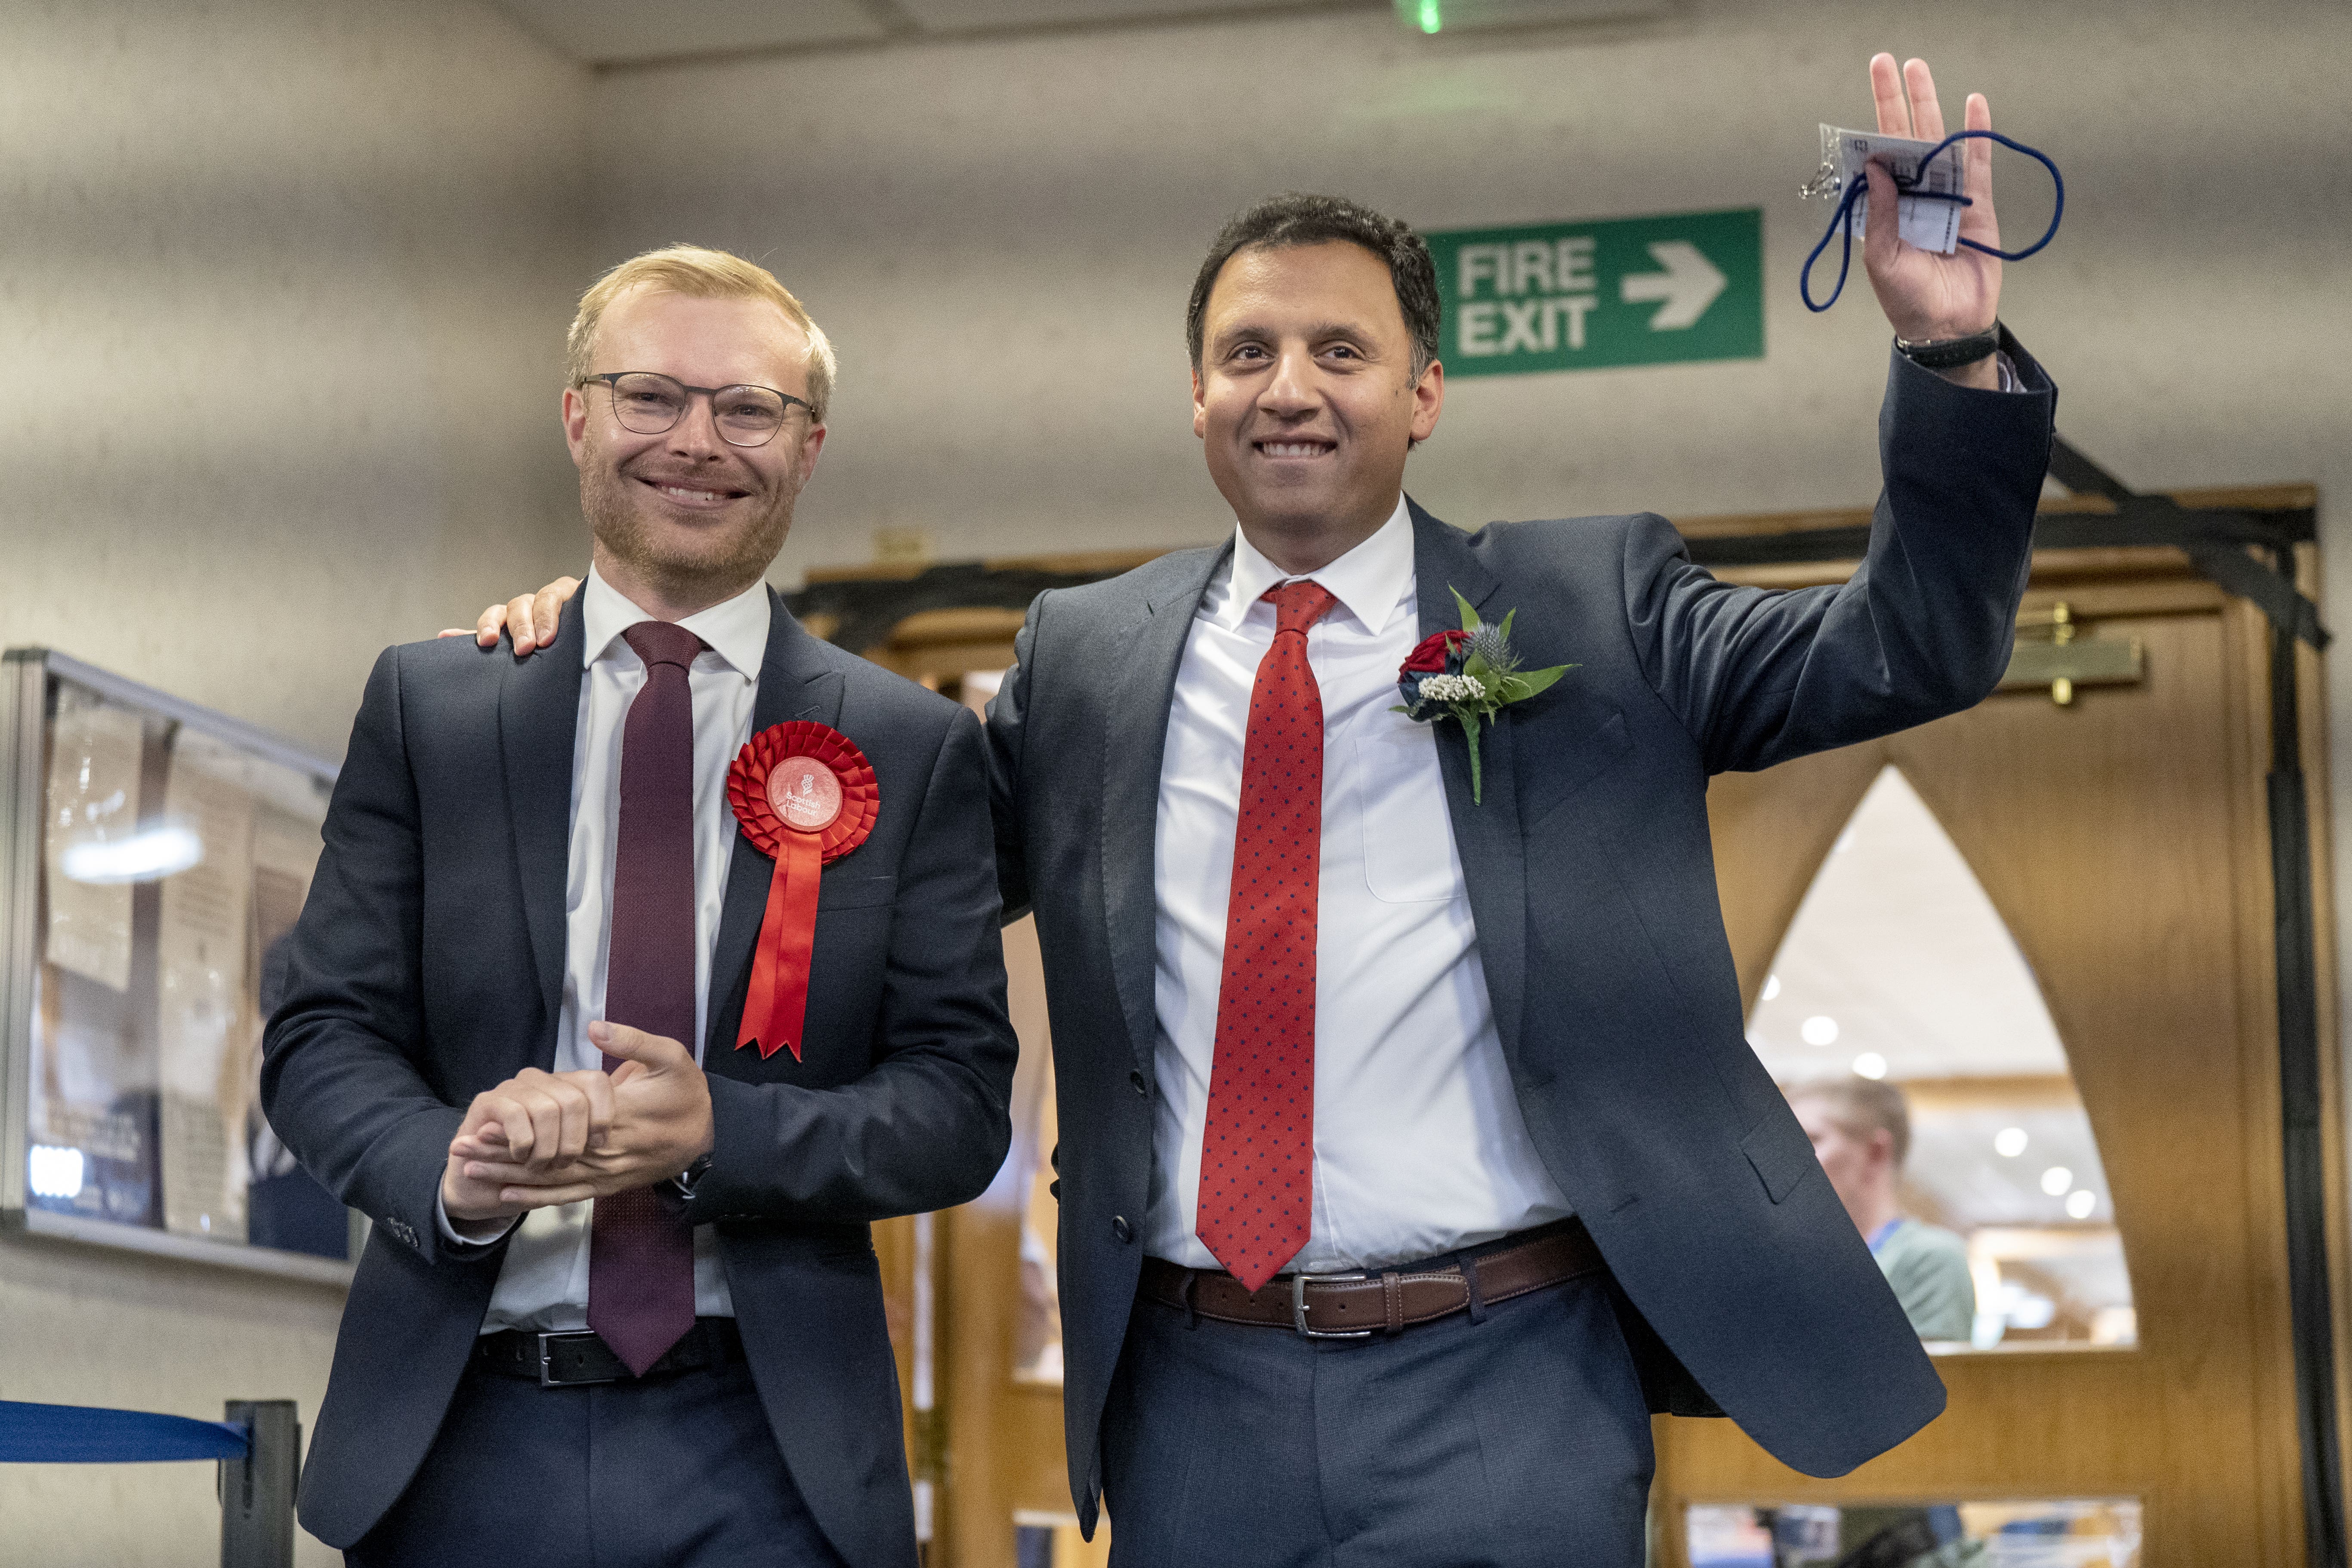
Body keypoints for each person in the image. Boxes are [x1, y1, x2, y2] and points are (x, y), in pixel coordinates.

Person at [470, 56, 2052, 1568]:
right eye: (1245, 354)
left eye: (1339, 354)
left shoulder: (1594, 602)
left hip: (1507, 1370)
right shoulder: (1084, 656)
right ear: (1194, 396)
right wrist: (628, 638)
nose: (1287, 390)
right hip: (1188, 1381)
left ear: (1422, 391)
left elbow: (1904, 645)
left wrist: (1944, 358)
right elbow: (868, 854)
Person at [264, 245, 1017, 1567]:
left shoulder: (909, 747)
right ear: (577, 416)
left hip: (769, 1443)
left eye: (748, 408)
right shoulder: (432, 707)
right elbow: (320, 1033)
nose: (696, 441)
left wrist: (722, 1127)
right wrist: (450, 1164)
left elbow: (955, 1105)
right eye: (650, 394)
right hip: (455, 1426)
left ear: (810, 445)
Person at [1788, 1077, 1977, 1343]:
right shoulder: (1800, 1260)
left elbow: (1920, 1382)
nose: (1787, 1158)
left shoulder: (1930, 1260)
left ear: (1876, 1152)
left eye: (1810, 1139)